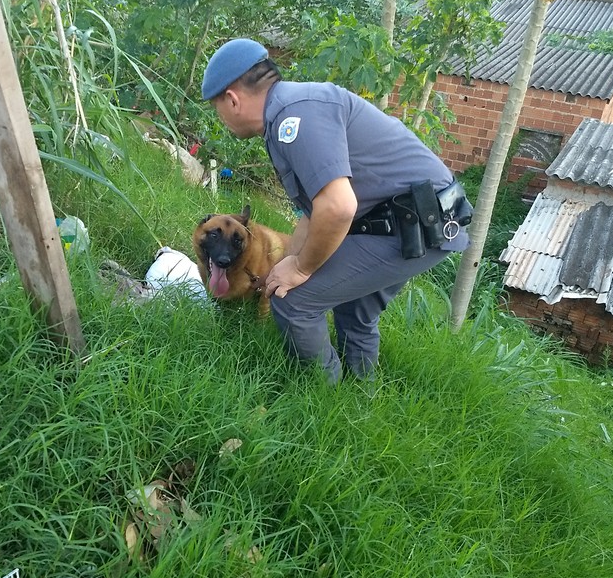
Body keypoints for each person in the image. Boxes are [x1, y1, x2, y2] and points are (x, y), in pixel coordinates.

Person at [200, 38, 471, 383]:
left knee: (294, 300)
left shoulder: (293, 118)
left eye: (217, 108)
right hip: (412, 220)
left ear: (232, 99)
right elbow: (315, 212)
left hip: (415, 223)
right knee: (354, 312)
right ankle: (358, 394)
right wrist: (286, 264)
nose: (221, 117)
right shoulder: (290, 110)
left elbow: (338, 207)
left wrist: (300, 268)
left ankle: (321, 397)